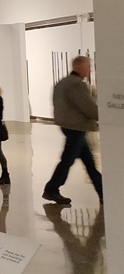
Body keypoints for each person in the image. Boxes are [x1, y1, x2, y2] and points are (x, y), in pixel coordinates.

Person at [43, 56, 103, 205]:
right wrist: (102, 115)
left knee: (88, 162)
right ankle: (51, 189)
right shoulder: (76, 84)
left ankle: (102, 192)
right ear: (80, 67)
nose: (90, 70)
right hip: (75, 127)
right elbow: (87, 106)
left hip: (69, 126)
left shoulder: (63, 82)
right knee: (68, 160)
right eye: (88, 67)